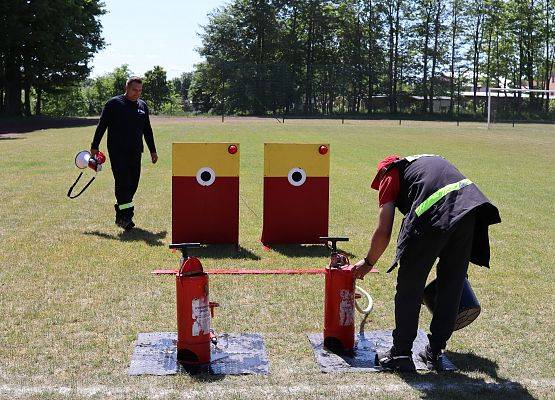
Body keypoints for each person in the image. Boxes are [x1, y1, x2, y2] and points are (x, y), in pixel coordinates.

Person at [352, 154, 500, 372]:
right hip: (468, 210)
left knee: (410, 286)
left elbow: (384, 231)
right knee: (451, 283)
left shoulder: (389, 174)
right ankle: (435, 351)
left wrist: (367, 262)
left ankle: (401, 353)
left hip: (433, 212)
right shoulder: (425, 161)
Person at [90, 76, 158, 230]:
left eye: (140, 90)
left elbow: (147, 130)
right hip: (118, 151)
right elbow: (102, 125)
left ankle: (121, 212)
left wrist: (152, 150)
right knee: (123, 183)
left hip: (135, 151)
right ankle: (126, 217)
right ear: (126, 88)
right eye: (134, 89)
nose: (137, 93)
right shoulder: (114, 104)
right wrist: (95, 145)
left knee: (133, 184)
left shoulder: (142, 106)